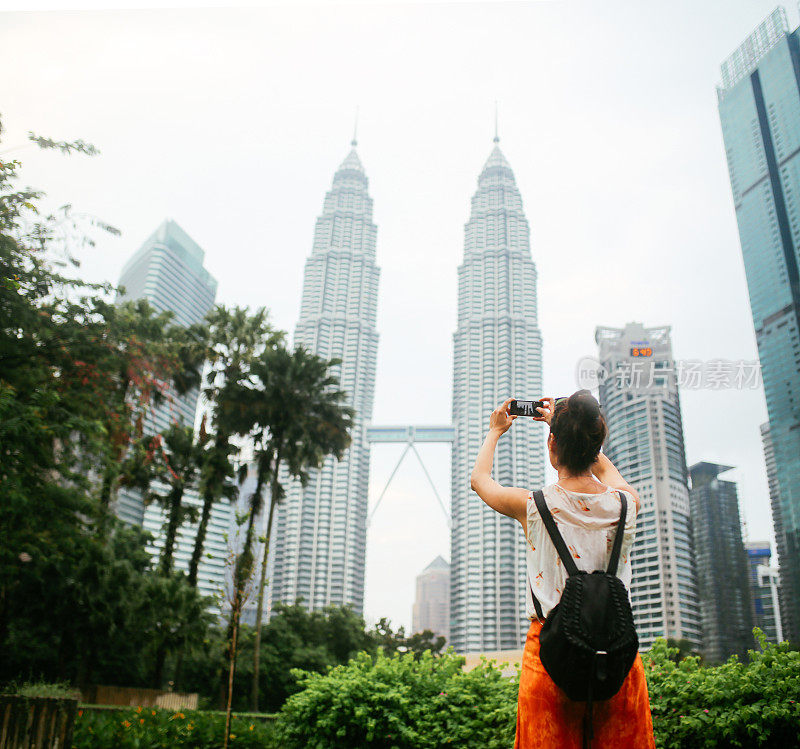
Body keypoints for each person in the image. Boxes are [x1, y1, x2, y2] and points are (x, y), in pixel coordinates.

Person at [470, 390, 655, 748]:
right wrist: (566, 430)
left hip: (549, 656)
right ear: (597, 442)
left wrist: (495, 431)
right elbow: (606, 471)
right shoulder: (626, 505)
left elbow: (480, 480)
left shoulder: (536, 505)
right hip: (614, 657)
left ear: (551, 444)